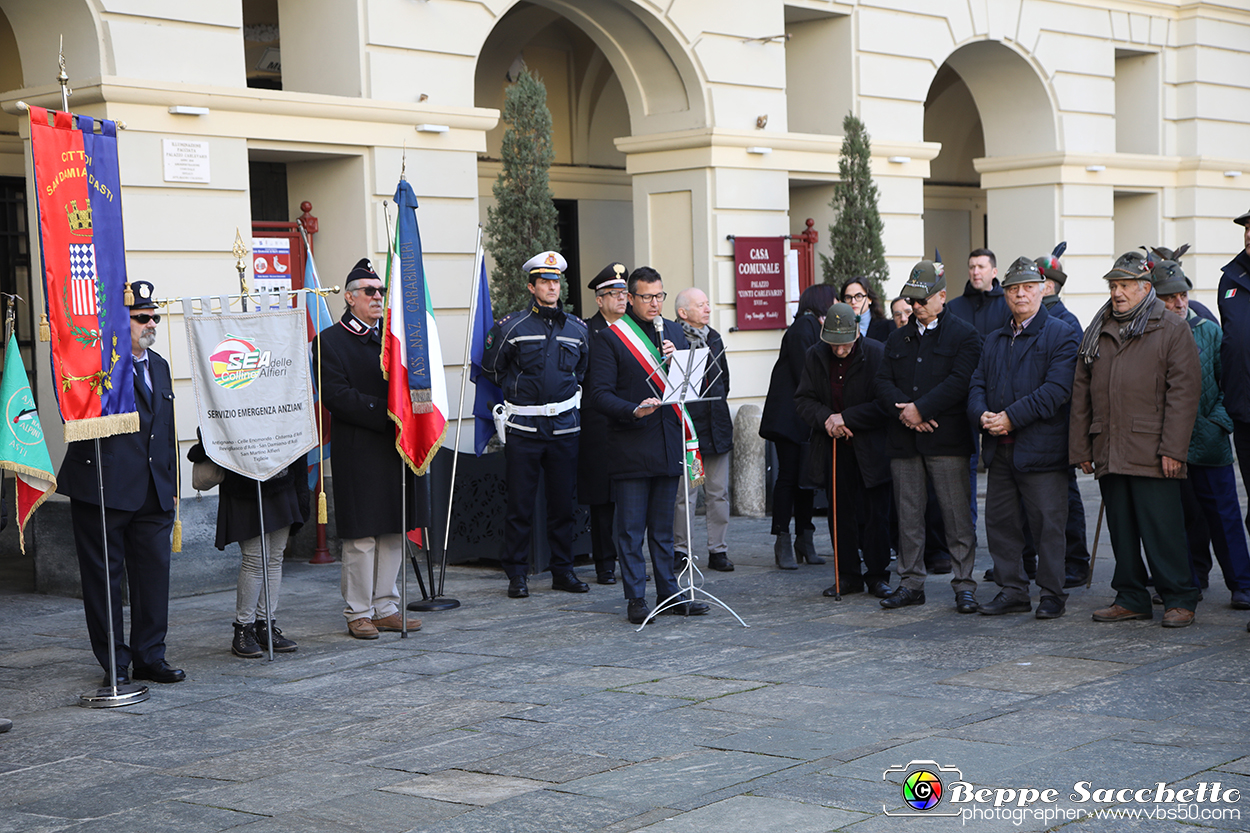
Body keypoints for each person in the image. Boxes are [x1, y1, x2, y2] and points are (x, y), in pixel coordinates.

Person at [57, 280, 184, 685]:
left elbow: (165, 431)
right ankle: (115, 660)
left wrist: (172, 484)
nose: (151, 324)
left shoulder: (159, 365)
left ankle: (150, 655)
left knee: (152, 578)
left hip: (152, 490)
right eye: (141, 318)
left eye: (154, 317)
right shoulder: (94, 366)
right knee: (105, 581)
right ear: (118, 322)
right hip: (104, 486)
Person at [1070, 252, 1201, 627]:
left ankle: (1179, 597)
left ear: (1146, 289)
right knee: (1122, 528)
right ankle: (1130, 596)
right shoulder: (1100, 327)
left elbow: (1184, 393)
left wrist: (1174, 449)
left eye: (1125, 285)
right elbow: (1082, 390)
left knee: (1163, 528)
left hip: (1154, 450)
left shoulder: (1172, 330)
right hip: (1109, 443)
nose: (1117, 293)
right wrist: (1081, 446)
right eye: (1113, 286)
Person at [586, 266, 709, 624]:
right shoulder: (611, 338)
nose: (654, 303)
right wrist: (632, 410)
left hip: (668, 441)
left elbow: (687, 385)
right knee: (630, 528)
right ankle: (636, 597)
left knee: (663, 528)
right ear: (631, 298)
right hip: (632, 443)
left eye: (660, 296)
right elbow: (598, 395)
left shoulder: (673, 331)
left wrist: (676, 359)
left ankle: (670, 593)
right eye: (647, 297)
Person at [315, 259, 423, 639]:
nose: (378, 297)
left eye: (381, 291)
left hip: (395, 447)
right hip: (359, 448)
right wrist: (388, 413)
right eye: (369, 291)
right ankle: (358, 611)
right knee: (362, 536)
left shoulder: (392, 338)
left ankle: (385, 606)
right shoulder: (329, 341)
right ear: (349, 298)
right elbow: (337, 396)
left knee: (393, 528)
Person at [968, 257, 1079, 619]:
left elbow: (1056, 390)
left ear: (1043, 289)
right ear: (1005, 294)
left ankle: (1052, 594)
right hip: (1000, 451)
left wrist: (1011, 418)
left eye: (1028, 287)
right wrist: (981, 413)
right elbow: (977, 384)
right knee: (1000, 525)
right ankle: (1012, 589)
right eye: (1014, 288)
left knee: (1048, 526)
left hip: (1042, 451)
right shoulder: (995, 338)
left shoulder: (1061, 334)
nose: (1021, 294)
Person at [482, 251, 591, 599]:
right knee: (520, 505)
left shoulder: (578, 329)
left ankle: (563, 571)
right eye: (544, 281)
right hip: (524, 429)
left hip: (564, 428)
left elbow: (583, 371)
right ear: (531, 287)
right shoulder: (510, 327)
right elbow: (492, 370)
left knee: (563, 505)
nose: (551, 287)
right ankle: (517, 574)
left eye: (555, 281)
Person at [875, 261, 982, 612]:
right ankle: (911, 583)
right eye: (911, 300)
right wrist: (907, 414)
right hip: (905, 439)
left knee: (955, 517)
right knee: (908, 516)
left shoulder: (964, 334)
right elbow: (881, 382)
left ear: (942, 297)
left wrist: (921, 409)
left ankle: (964, 584)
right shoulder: (898, 336)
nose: (915, 306)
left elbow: (960, 381)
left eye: (921, 300)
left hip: (947, 439)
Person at [1153, 261, 1250, 610]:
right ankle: (1186, 584)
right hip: (1166, 447)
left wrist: (1218, 422)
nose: (1179, 303)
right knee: (1176, 520)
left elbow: (1231, 380)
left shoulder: (1208, 331)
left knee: (1225, 518)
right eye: (1170, 297)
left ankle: (1243, 584)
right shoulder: (1149, 336)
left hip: (1209, 442)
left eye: (1183, 294)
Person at [794, 303, 892, 598]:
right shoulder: (815, 355)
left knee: (876, 513)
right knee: (840, 513)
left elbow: (885, 403)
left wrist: (847, 418)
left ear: (857, 333)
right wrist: (828, 419)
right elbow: (803, 400)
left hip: (872, 447)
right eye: (833, 344)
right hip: (835, 446)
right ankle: (847, 575)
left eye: (845, 343)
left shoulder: (876, 353)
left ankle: (877, 575)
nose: (839, 349)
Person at [188, 430, 310, 657]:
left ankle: (265, 625)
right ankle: (243, 629)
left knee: (274, 559)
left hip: (281, 480)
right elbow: (210, 424)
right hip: (245, 484)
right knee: (255, 560)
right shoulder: (229, 393)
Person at [759, 284, 837, 570]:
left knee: (806, 479)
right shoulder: (803, 327)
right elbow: (809, 372)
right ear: (822, 302)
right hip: (790, 419)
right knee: (790, 478)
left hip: (803, 418)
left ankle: (805, 539)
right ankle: (783, 539)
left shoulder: (809, 326)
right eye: (834, 300)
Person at [1035, 242, 1090, 587]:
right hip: (1031, 422)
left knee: (1064, 495)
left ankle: (1076, 560)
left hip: (1057, 423)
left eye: (1033, 283)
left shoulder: (1065, 322)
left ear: (1049, 285)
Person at [672, 287, 734, 573]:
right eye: (701, 304)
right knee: (688, 495)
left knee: (718, 493)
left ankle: (718, 550)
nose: (708, 308)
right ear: (683, 312)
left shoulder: (716, 338)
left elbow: (724, 382)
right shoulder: (673, 339)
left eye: (708, 303)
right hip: (691, 432)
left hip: (717, 430)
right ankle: (681, 551)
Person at [579, 262, 630, 585]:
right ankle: (604, 563)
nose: (622, 300)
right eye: (614, 294)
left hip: (629, 420)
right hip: (597, 422)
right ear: (599, 300)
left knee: (630, 496)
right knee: (601, 498)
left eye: (625, 293)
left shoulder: (634, 331)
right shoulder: (586, 330)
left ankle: (630, 559)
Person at [840, 278, 893, 342]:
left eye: (859, 296)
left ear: (869, 299)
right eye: (848, 297)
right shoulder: (838, 327)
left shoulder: (887, 327)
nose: (853, 302)